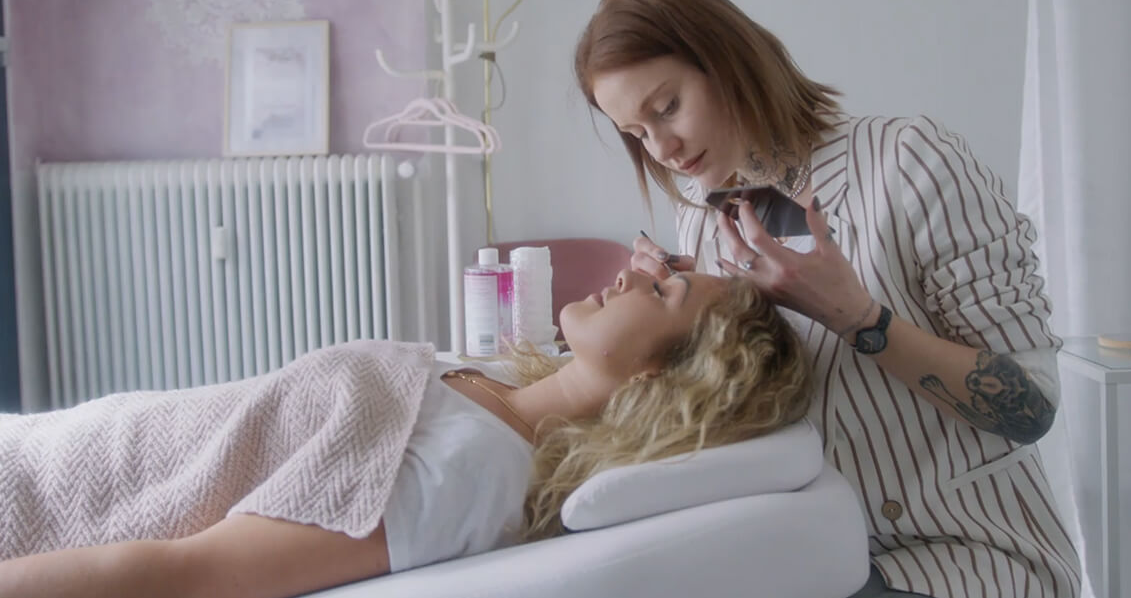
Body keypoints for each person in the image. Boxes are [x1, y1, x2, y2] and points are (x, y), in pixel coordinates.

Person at [573, 0, 1082, 598]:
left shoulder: (908, 160)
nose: (665, 148)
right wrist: (670, 319)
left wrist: (862, 321)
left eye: (667, 108)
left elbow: (1031, 407)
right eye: (637, 134)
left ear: (729, 61)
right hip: (810, 555)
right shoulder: (701, 219)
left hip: (965, 552)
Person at [0, 269, 812, 598]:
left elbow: (191, 572)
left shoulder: (468, 473)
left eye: (665, 288)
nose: (636, 270)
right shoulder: (489, 387)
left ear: (657, 377)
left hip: (45, 503)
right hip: (55, 444)